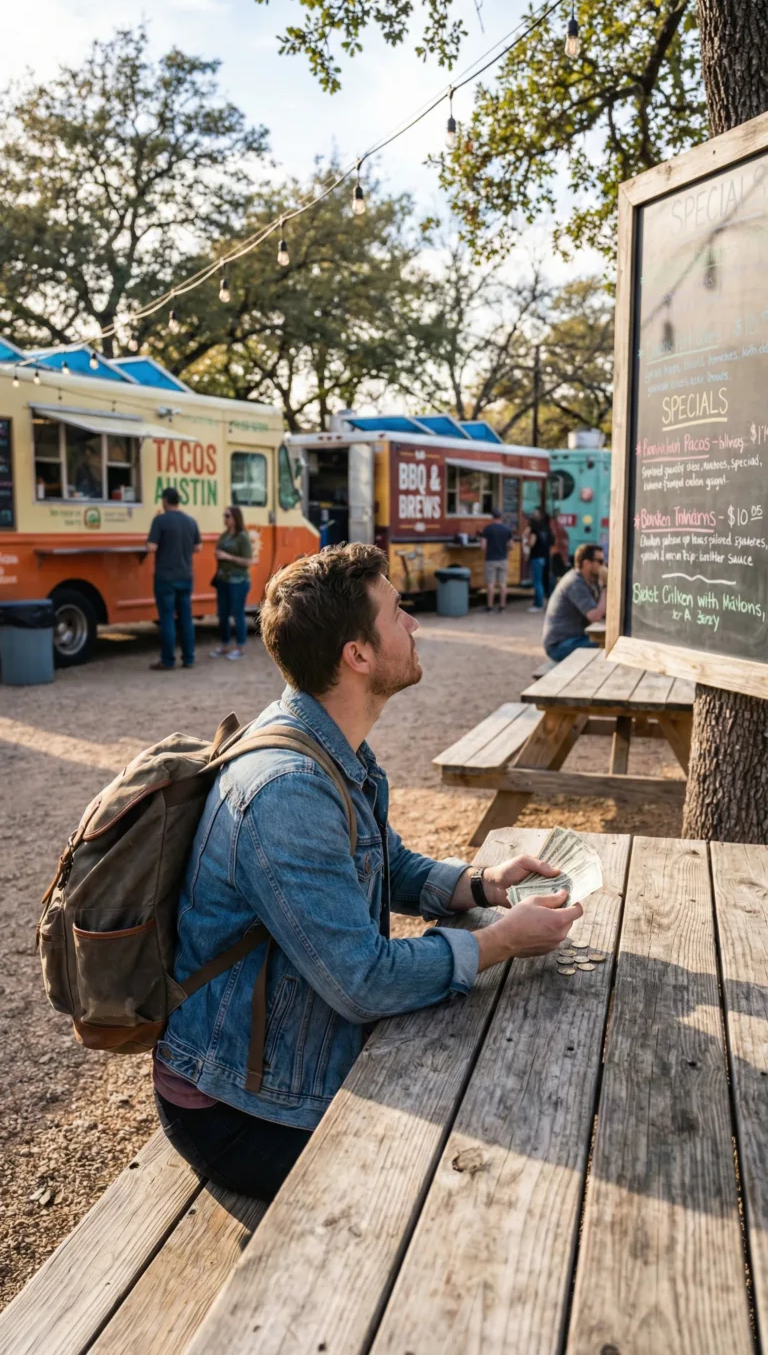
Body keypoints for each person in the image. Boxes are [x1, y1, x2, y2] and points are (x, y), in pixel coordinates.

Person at [154, 543, 581, 1199]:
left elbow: (386, 861)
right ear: (357, 655)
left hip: (286, 1065)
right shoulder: (288, 788)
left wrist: (482, 883)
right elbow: (363, 981)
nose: (413, 623)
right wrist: (502, 941)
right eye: (397, 612)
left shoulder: (323, 736)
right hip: (241, 1110)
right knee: (470, 1175)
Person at [146, 487, 201, 671]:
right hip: (185, 576)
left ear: (165, 500)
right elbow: (198, 547)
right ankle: (189, 658)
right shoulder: (191, 521)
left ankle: (168, 660)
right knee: (186, 619)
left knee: (167, 619)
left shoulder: (160, 520)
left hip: (165, 578)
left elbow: (152, 547)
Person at [542, 542, 607, 662]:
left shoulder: (590, 582)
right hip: (559, 645)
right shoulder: (575, 582)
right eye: (600, 561)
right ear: (586, 563)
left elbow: (604, 613)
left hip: (574, 639)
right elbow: (596, 616)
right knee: (608, 644)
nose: (603, 566)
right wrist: (605, 587)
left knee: (610, 641)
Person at [210, 505, 253, 661]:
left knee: (237, 613)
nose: (225, 519)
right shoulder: (224, 536)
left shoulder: (242, 537)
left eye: (228, 516)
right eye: (224, 516)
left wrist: (228, 557)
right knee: (222, 614)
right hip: (223, 580)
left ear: (236, 518)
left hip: (238, 581)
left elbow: (248, 561)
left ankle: (240, 647)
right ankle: (225, 645)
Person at [480, 509, 513, 612]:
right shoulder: (507, 529)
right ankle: (502, 606)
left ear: (492, 517)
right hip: (503, 559)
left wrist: (487, 552)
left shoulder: (487, 529)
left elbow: (483, 546)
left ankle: (490, 606)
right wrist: (506, 550)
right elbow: (511, 545)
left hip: (491, 559)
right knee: (503, 584)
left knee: (491, 584)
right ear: (501, 517)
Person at [528, 509, 555, 613]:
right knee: (544, 581)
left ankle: (538, 604)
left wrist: (526, 542)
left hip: (536, 557)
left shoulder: (534, 530)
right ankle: (545, 603)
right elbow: (552, 542)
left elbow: (532, 543)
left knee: (537, 582)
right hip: (545, 558)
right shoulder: (547, 529)